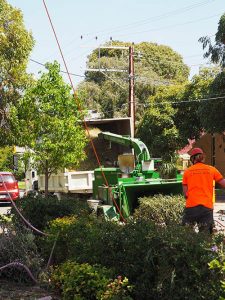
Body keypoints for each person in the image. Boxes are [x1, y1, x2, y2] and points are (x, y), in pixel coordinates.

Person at [182, 147, 225, 233]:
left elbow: (185, 193)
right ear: (202, 158)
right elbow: (223, 183)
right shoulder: (211, 169)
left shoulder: (187, 172)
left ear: (192, 159)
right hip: (206, 208)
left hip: (191, 207)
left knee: (186, 234)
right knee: (205, 237)